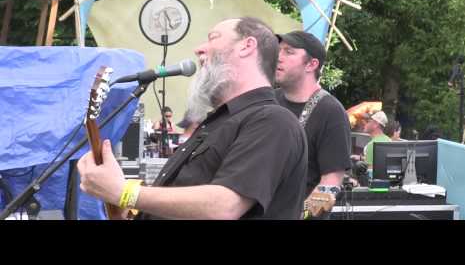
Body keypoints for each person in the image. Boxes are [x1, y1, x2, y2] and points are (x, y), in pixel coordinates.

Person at [77, 17, 308, 220]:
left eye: (213, 38)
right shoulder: (216, 123)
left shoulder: (273, 121)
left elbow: (225, 206)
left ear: (247, 46)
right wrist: (122, 202)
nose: (199, 49)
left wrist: (125, 192)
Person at [274, 30, 351, 217]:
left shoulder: (330, 111)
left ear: (311, 64)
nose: (278, 57)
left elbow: (330, 185)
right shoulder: (269, 101)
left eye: (289, 52)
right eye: (278, 51)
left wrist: (301, 216)